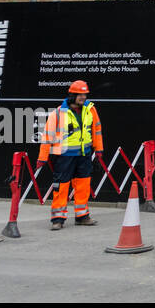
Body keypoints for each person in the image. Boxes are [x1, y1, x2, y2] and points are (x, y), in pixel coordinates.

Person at [36, 80, 104, 230]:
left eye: (85, 94)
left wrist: (98, 149)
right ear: (72, 95)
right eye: (80, 94)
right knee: (61, 186)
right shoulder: (58, 113)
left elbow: (97, 130)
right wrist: (42, 157)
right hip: (64, 156)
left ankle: (82, 216)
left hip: (84, 154)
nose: (83, 97)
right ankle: (58, 218)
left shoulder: (90, 110)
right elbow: (47, 136)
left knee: (83, 186)